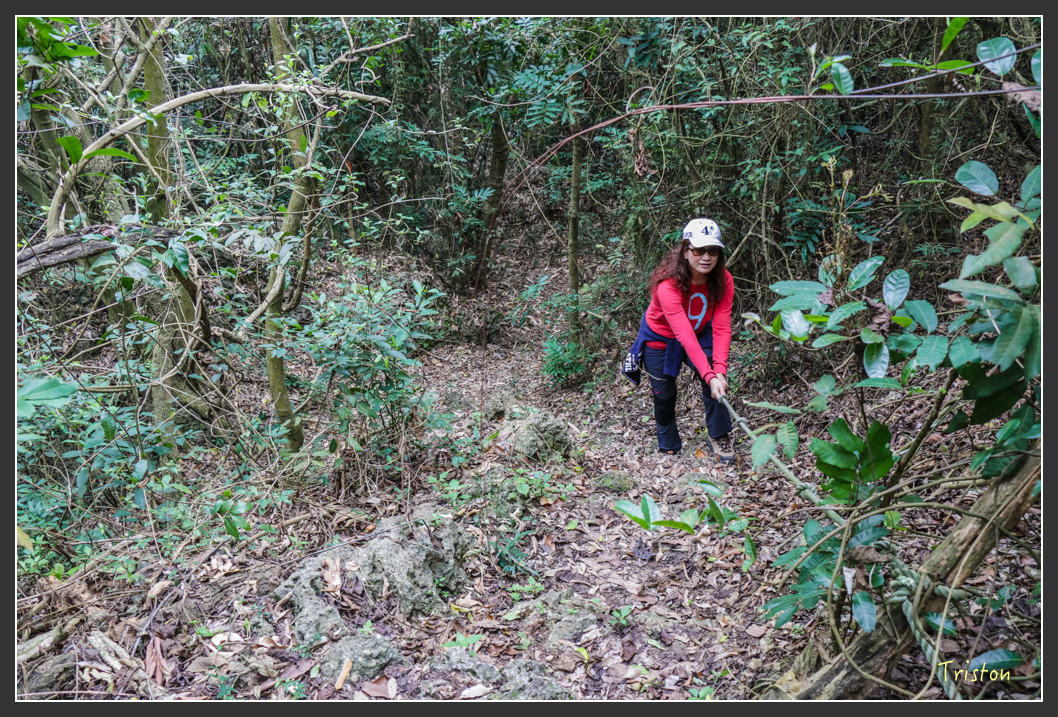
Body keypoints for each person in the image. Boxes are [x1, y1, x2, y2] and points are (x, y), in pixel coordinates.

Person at [622, 218, 736, 462]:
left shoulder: (724, 279)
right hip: (660, 337)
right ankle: (669, 443)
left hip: (699, 331)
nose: (706, 257)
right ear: (686, 251)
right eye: (698, 250)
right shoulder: (667, 284)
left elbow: (722, 325)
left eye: (713, 250)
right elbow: (682, 334)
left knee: (715, 381)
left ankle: (719, 435)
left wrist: (719, 371)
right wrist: (710, 373)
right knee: (664, 394)